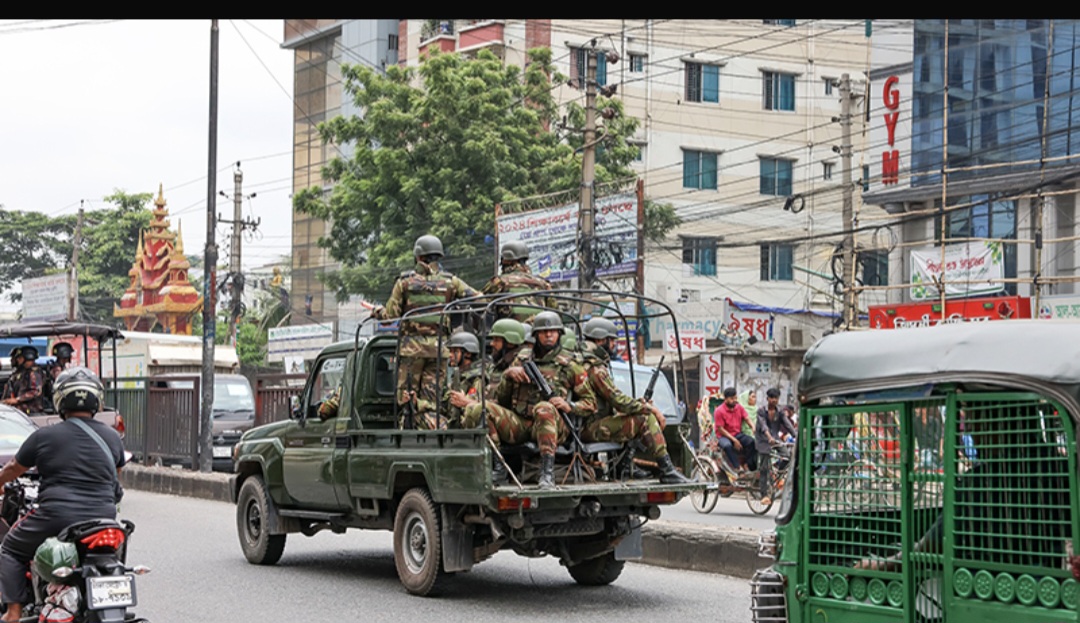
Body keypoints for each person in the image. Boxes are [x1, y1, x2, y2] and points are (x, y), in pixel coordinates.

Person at [0, 367, 125, 623]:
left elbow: (14, 468)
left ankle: (13, 613)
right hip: (104, 519)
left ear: (60, 399)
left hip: (57, 516)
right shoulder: (112, 437)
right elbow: (117, 473)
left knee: (10, 549)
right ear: (96, 400)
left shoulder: (44, 436)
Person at [371, 234, 479, 429]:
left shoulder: (404, 283)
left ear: (418, 257)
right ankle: (433, 437)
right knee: (432, 402)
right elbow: (478, 299)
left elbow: (391, 317)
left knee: (407, 402)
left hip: (410, 352)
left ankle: (408, 438)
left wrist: (376, 312)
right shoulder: (451, 282)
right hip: (438, 352)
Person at [579, 317, 690, 484]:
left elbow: (611, 402)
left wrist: (638, 404)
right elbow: (617, 400)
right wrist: (648, 409)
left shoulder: (586, 363)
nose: (614, 346)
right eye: (612, 341)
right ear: (600, 339)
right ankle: (667, 469)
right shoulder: (594, 368)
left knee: (636, 414)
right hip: (588, 427)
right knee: (644, 419)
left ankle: (625, 465)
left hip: (589, 424)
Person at [495, 311, 597, 488]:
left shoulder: (569, 365)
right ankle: (499, 466)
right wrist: (508, 376)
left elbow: (591, 403)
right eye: (543, 332)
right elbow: (502, 400)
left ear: (559, 334)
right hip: (523, 424)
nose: (548, 335)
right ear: (536, 335)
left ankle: (546, 472)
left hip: (556, 426)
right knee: (482, 409)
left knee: (544, 408)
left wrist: (569, 405)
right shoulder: (522, 359)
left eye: (553, 331)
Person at [460, 318, 527, 484]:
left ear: (509, 342)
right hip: (503, 419)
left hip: (521, 422)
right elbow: (489, 395)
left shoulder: (521, 364)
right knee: (474, 411)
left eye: (497, 340)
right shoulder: (497, 365)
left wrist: (472, 404)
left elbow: (505, 401)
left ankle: (498, 466)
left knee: (480, 410)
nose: (492, 344)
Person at [481, 241, 557, 323]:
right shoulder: (543, 283)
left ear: (506, 260)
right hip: (538, 332)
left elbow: (480, 302)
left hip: (507, 331)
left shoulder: (499, 281)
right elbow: (555, 313)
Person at [754, 388, 797, 506]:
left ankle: (777, 474)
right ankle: (764, 495)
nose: (774, 400)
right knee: (764, 468)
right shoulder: (761, 411)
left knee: (788, 457)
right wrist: (769, 437)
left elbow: (787, 424)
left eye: (776, 398)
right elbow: (763, 426)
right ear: (767, 398)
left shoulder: (780, 412)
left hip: (775, 439)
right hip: (763, 440)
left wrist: (796, 436)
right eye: (771, 398)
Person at [443, 331, 485, 429]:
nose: (450, 355)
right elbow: (442, 407)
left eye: (455, 351)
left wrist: (464, 401)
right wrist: (417, 403)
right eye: (450, 351)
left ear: (468, 354)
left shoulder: (476, 378)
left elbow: (474, 409)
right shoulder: (457, 377)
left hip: (463, 429)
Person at [712, 387, 756, 473]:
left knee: (752, 442)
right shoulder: (719, 411)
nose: (735, 400)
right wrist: (734, 440)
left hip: (737, 434)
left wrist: (753, 427)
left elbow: (747, 418)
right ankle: (737, 467)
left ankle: (747, 464)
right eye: (732, 398)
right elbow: (720, 429)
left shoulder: (739, 407)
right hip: (723, 436)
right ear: (726, 399)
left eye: (735, 398)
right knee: (727, 446)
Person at [3, 347, 44, 414]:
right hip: (19, 411)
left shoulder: (34, 373)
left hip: (31, 411)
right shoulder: (21, 372)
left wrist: (17, 400)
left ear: (27, 358)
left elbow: (35, 391)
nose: (18, 360)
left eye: (20, 358)